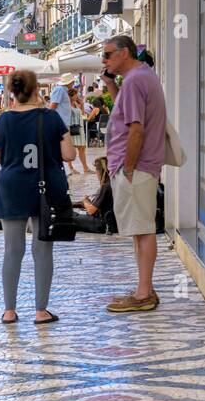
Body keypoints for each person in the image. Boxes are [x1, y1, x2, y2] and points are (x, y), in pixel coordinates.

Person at [0, 70, 74, 325]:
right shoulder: (51, 118)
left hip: (12, 187)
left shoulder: (4, 120)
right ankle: (40, 311)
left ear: (12, 92)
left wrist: (13, 156)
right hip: (44, 188)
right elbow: (69, 154)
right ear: (37, 90)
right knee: (42, 248)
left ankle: (9, 311)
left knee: (12, 250)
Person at [100, 35, 168, 314]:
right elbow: (126, 111)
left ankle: (144, 295)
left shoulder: (135, 80)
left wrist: (128, 167)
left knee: (143, 229)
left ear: (124, 53)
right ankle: (144, 288)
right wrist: (110, 84)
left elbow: (136, 128)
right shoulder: (139, 77)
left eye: (107, 55)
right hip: (139, 167)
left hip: (136, 168)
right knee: (139, 230)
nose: (104, 60)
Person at [74, 156, 116, 234]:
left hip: (103, 225)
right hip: (114, 224)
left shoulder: (105, 186)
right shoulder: (115, 183)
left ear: (99, 171)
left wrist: (85, 201)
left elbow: (91, 210)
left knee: (70, 217)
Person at [67, 86, 91, 174]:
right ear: (71, 95)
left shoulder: (76, 104)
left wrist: (82, 105)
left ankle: (85, 168)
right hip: (72, 128)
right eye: (76, 95)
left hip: (79, 127)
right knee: (71, 148)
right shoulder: (67, 105)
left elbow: (82, 114)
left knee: (82, 148)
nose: (77, 96)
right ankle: (71, 168)